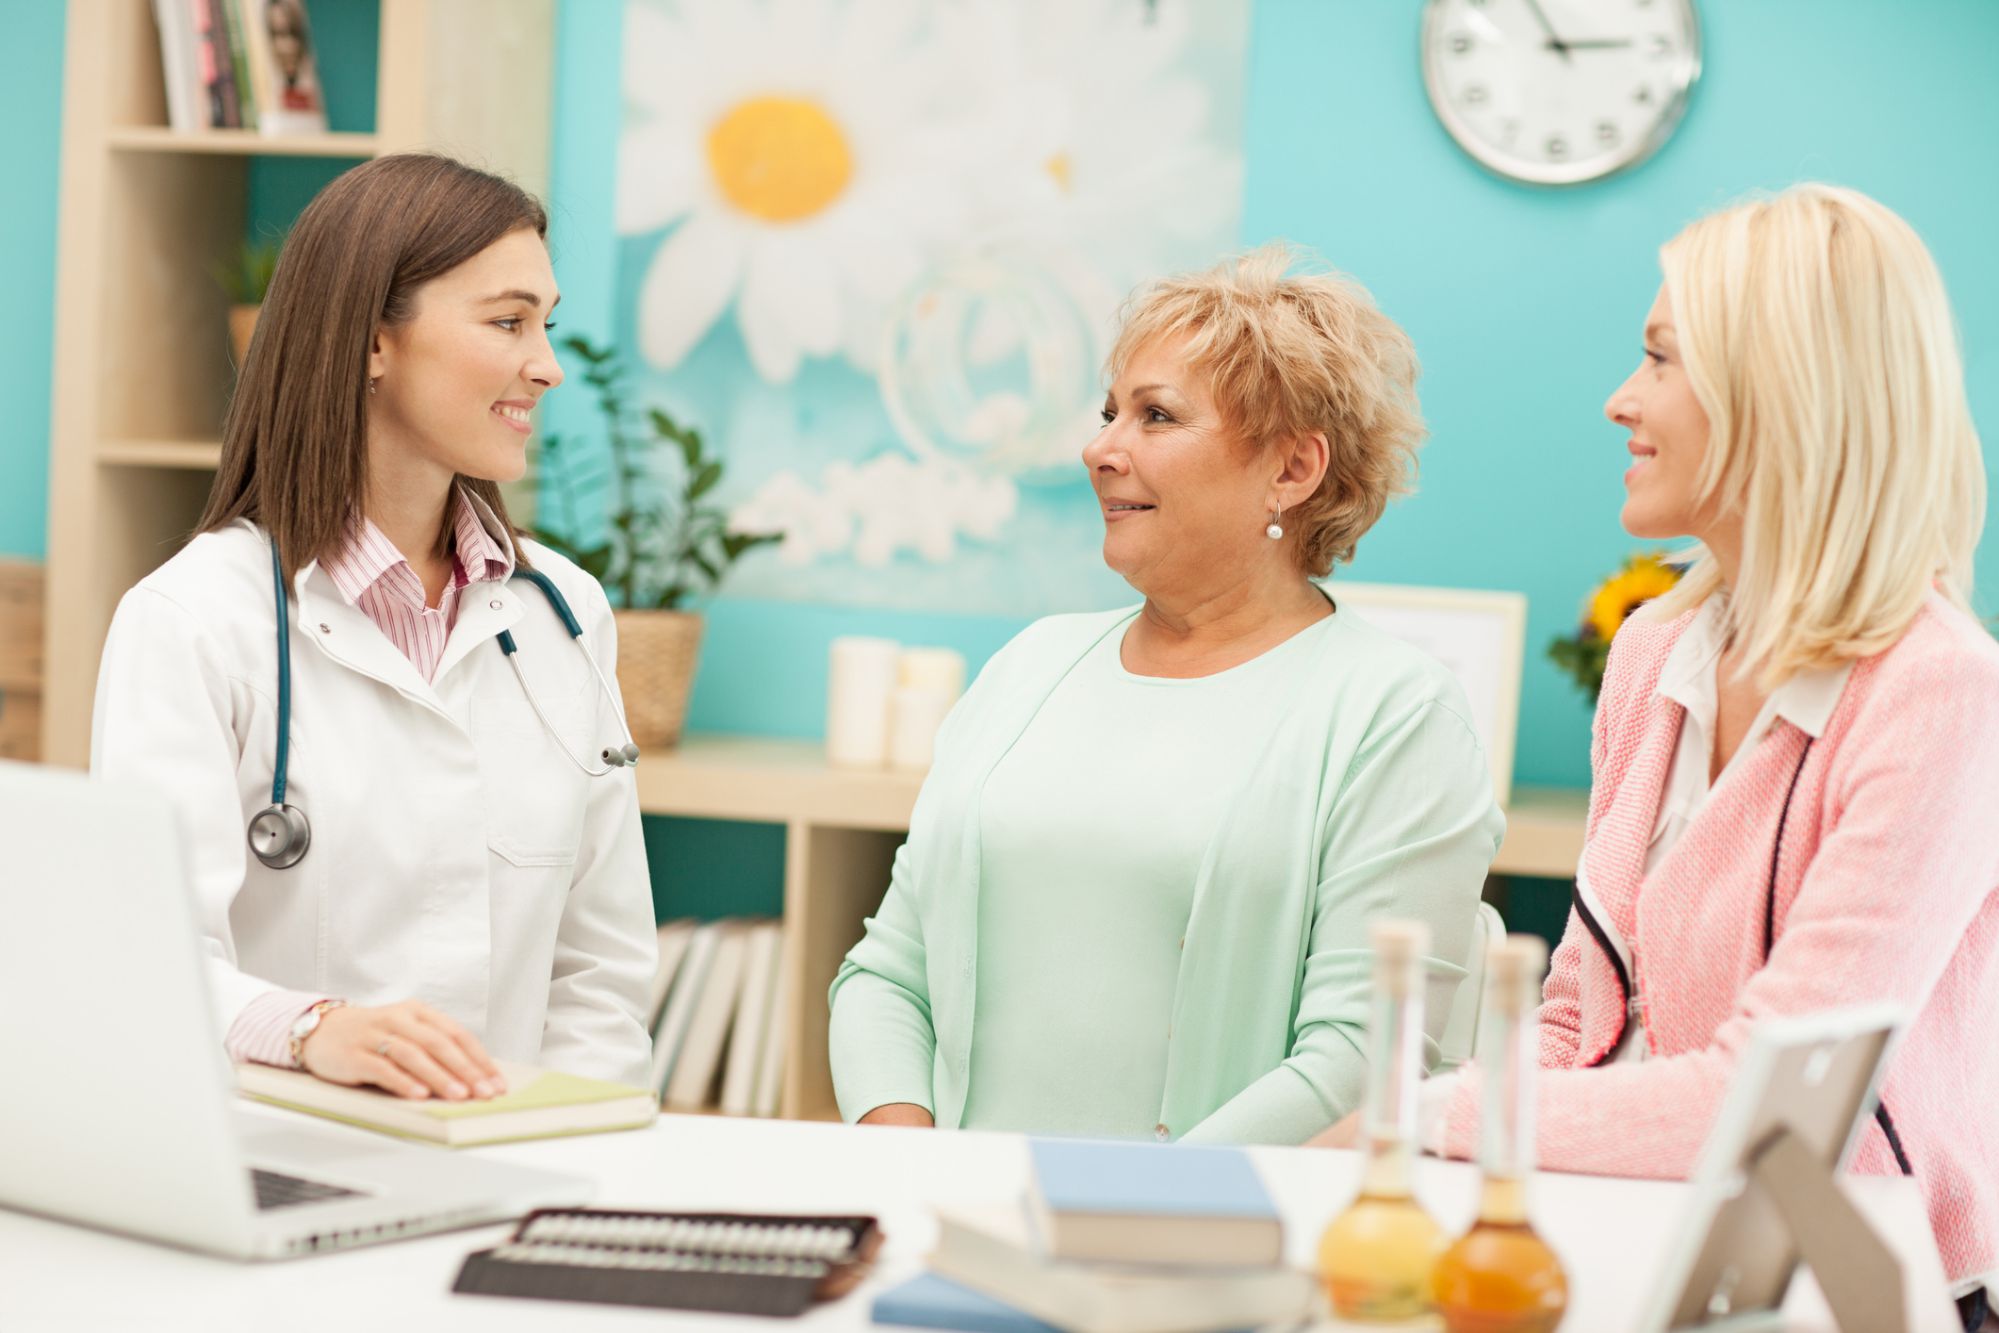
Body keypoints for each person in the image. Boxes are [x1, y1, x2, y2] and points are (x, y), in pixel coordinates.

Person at [1318, 184, 1997, 1329]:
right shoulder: (1657, 652)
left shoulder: (1944, 694)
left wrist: (1424, 1117)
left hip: (1862, 1286)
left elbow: (1776, 1103)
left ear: (1783, 392)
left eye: (1661, 360)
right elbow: (1583, 1018)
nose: (1619, 400)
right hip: (1650, 1243)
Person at [827, 245, 1504, 1144]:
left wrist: (1122, 1214)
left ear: (1292, 471)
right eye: (1111, 412)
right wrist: (909, 1159)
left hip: (1203, 1243)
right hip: (956, 1225)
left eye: (1155, 415)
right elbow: (888, 972)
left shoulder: (1396, 713)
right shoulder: (1031, 666)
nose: (1100, 447)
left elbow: (1359, 1059)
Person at [91, 154, 658, 1100]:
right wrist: (313, 1029)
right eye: (508, 322)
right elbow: (146, 957)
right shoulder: (194, 620)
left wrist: (567, 1146)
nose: (547, 366)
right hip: (279, 1162)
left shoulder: (567, 613)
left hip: (515, 1167)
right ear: (370, 341)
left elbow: (599, 968)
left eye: (545, 326)